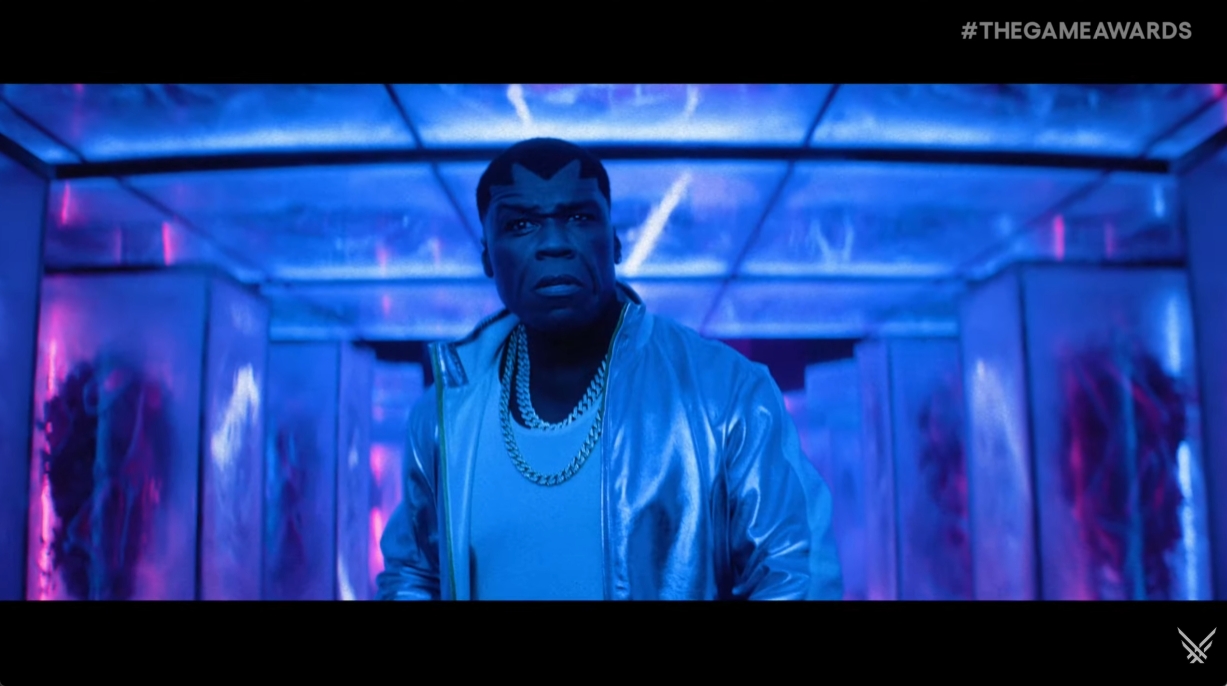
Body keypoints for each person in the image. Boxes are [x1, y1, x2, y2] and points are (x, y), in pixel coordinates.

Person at [377, 137, 842, 600]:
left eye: (579, 218)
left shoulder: (727, 393)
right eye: (520, 224)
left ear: (614, 242)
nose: (554, 243)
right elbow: (413, 575)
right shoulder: (444, 417)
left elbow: (798, 572)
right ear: (487, 258)